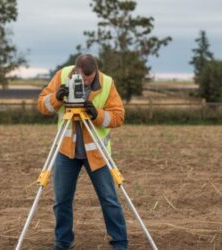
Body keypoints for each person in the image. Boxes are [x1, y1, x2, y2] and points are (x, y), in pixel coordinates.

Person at [38, 54, 128, 250]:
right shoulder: (62, 76)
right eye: (82, 78)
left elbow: (119, 116)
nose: (86, 82)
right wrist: (56, 97)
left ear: (95, 70)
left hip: (97, 151)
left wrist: (96, 114)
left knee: (109, 199)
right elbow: (42, 106)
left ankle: (120, 243)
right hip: (66, 150)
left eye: (89, 78)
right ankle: (62, 242)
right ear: (75, 70)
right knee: (61, 200)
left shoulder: (106, 83)